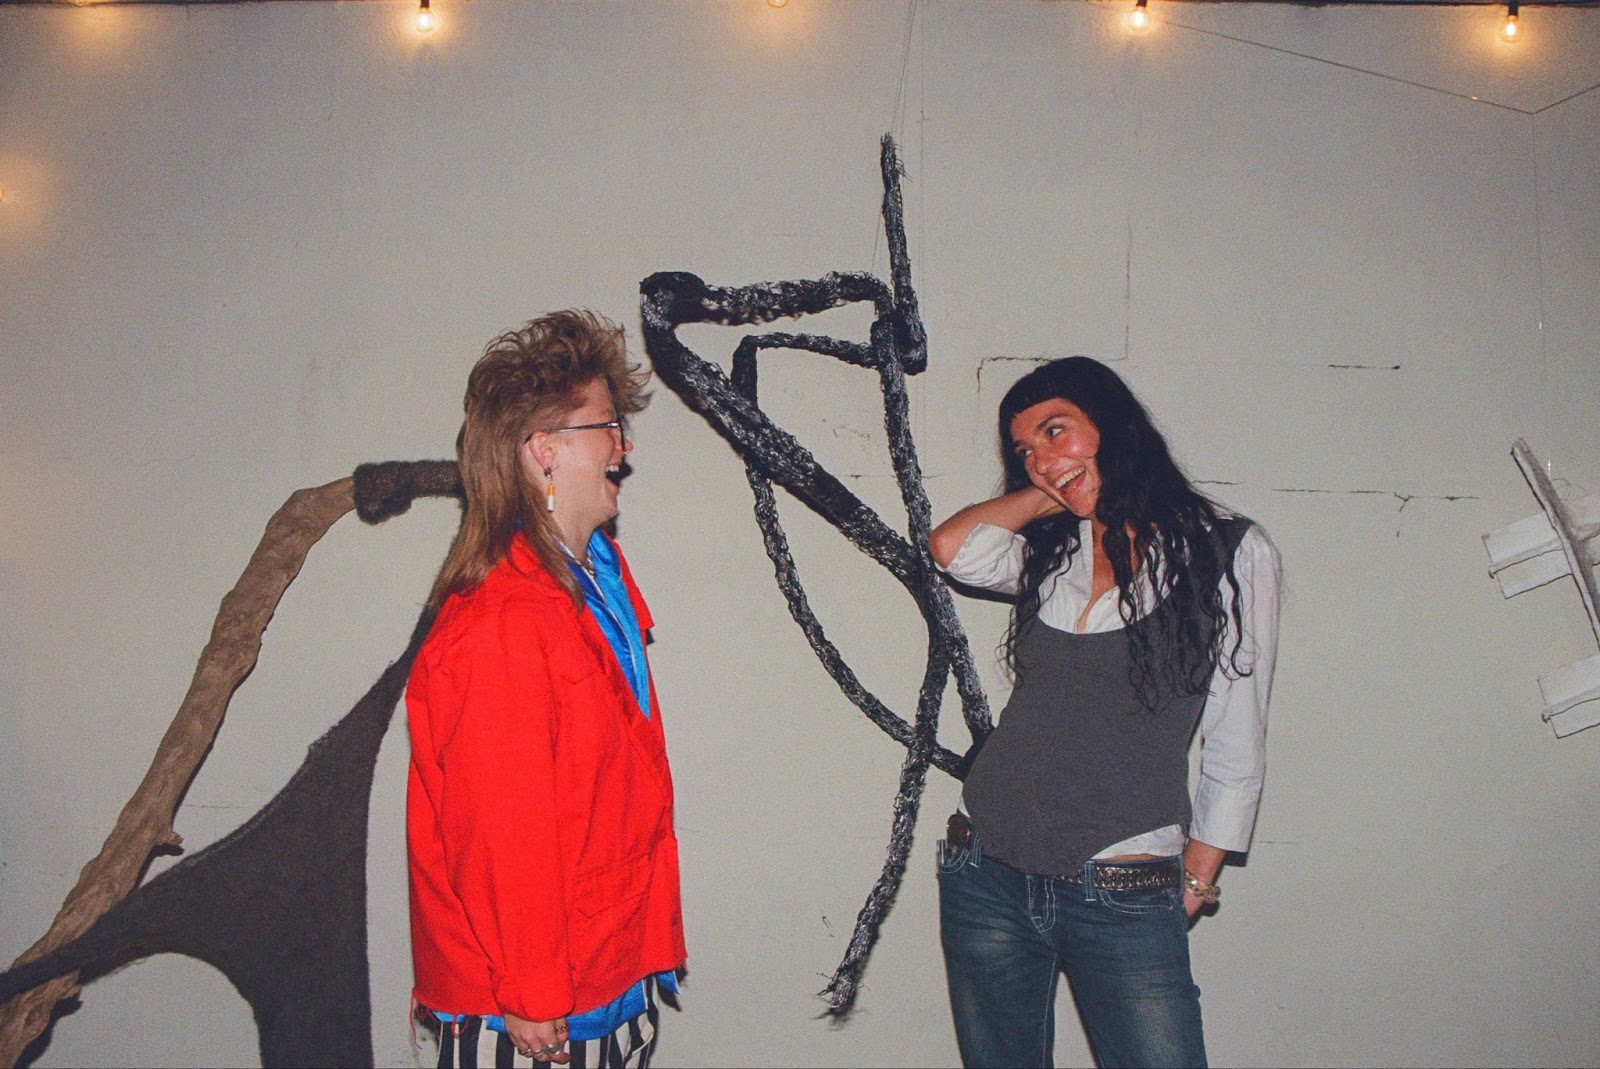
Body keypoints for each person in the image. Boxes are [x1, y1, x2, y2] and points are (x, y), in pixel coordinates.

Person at [928, 356, 1280, 1069]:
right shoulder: (1050, 555)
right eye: (1025, 450)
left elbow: (1235, 739)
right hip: (985, 872)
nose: (1042, 458)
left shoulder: (1229, 551)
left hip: (1119, 885)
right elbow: (950, 548)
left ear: (1111, 424)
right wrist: (1053, 491)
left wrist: (1196, 879)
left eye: (1057, 431)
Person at [406, 310, 685, 1068]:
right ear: (545, 452)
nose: (623, 447)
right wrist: (530, 992)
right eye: (608, 428)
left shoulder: (595, 579)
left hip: (607, 967)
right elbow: (500, 831)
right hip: (542, 1006)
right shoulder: (501, 619)